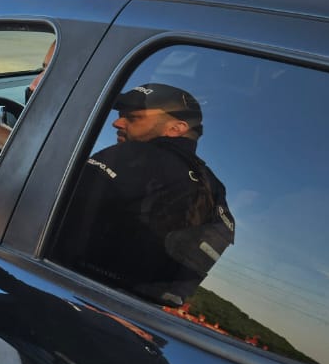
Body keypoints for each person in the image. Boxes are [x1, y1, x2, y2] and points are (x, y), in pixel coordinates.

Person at [54, 83, 235, 307]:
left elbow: (41, 192)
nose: (117, 122)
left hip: (70, 293)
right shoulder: (214, 191)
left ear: (175, 129)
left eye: (134, 117)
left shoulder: (133, 158)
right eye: (121, 115)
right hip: (139, 314)